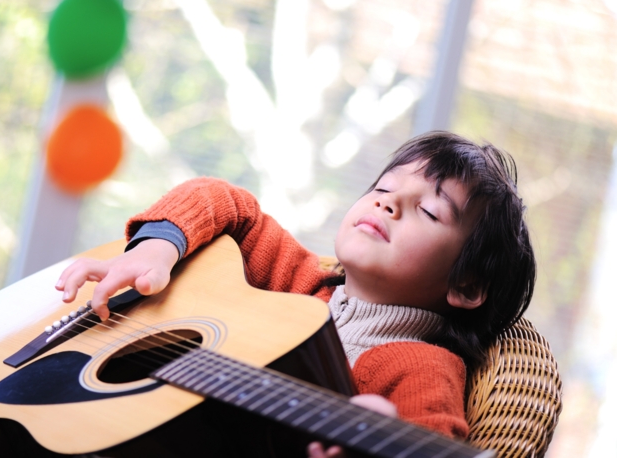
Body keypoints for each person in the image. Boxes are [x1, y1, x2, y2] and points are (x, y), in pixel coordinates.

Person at [56, 131, 536, 455]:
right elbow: (223, 199)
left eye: (429, 212)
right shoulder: (301, 281)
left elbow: (431, 436)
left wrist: (370, 441)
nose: (388, 203)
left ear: (466, 285)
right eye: (384, 188)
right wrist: (158, 247)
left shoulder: (422, 368)